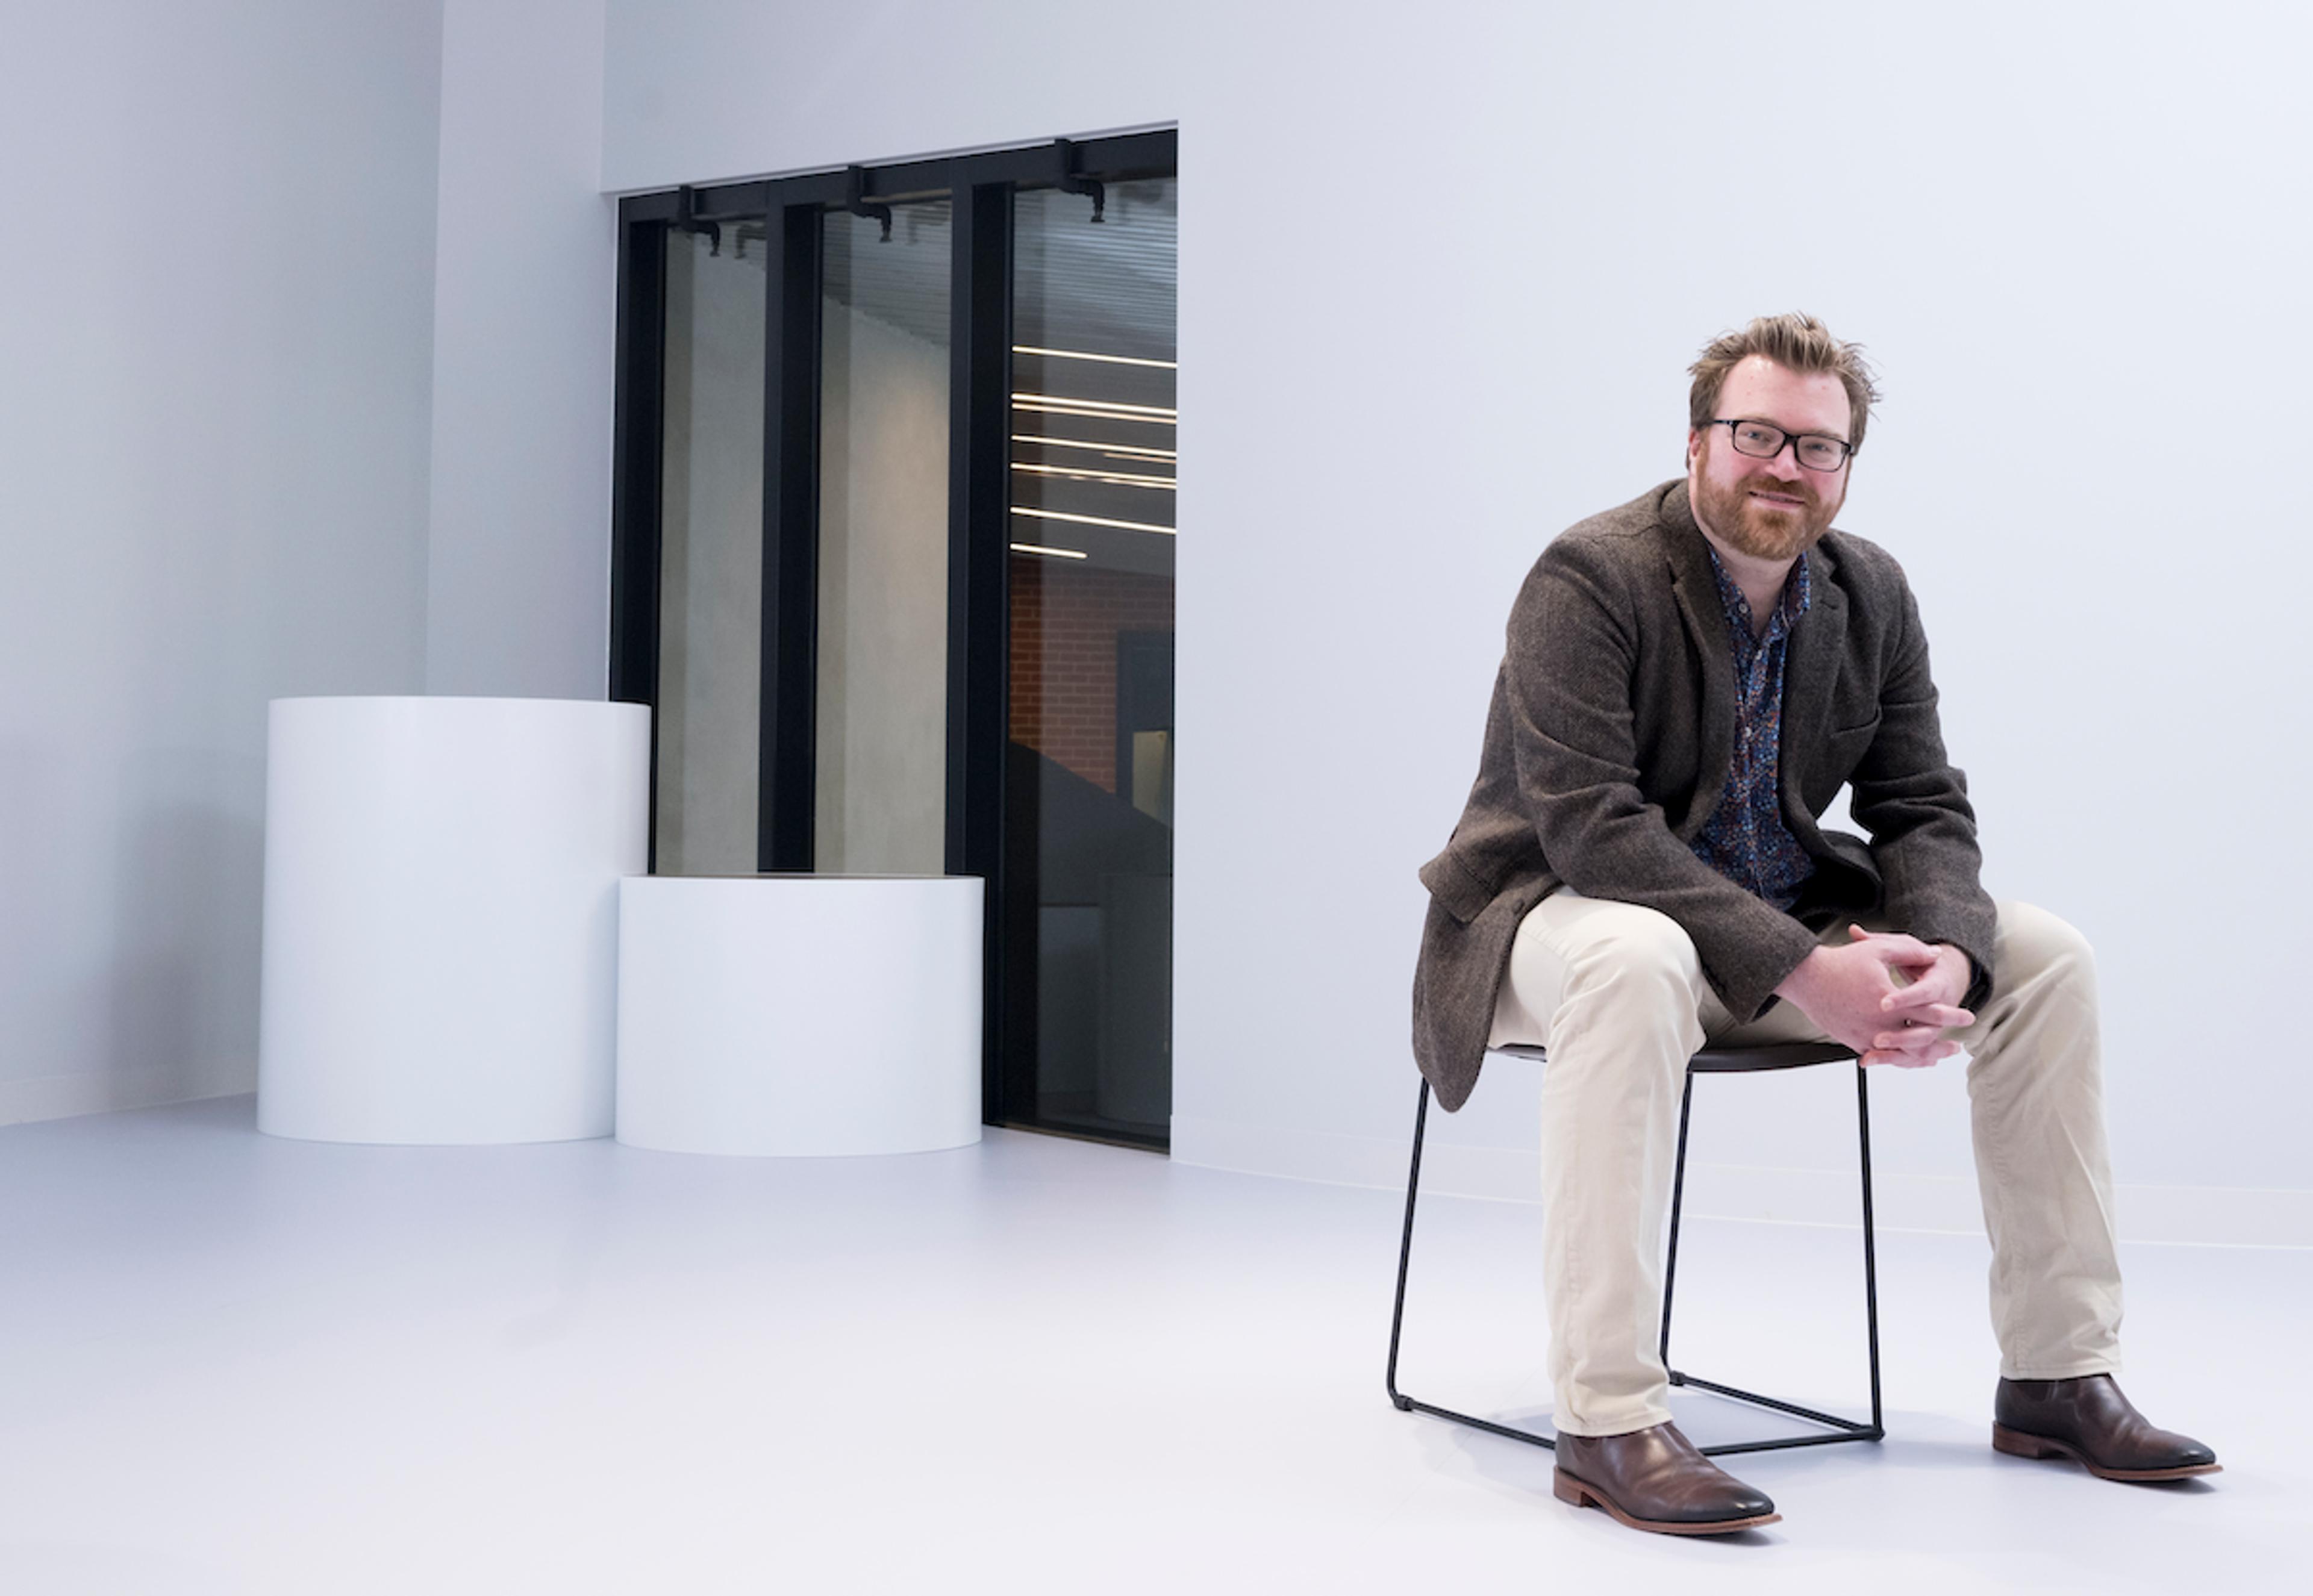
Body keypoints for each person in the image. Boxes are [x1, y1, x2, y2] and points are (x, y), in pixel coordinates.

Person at [1409, 313, 2217, 1536]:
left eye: (1818, 447)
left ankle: (2057, 1373)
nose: (1785, 466)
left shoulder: (1868, 589)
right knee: (1637, 955)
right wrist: (1807, 974)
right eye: (1756, 435)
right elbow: (1594, 829)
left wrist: (1951, 941)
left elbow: (1922, 803)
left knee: (2043, 954)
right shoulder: (1591, 574)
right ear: (1697, 444)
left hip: (1769, 924)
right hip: (1551, 920)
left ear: (1845, 468)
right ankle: (1611, 1416)